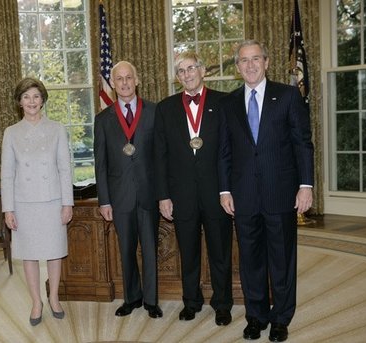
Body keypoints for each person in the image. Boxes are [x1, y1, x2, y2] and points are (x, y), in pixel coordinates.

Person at [218, 40, 314, 342]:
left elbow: (302, 143)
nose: (250, 65)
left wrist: (306, 186)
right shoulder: (229, 103)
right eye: (244, 61)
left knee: (282, 260)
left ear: (267, 62)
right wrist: (224, 190)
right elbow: (224, 151)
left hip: (281, 193)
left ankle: (281, 318)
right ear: (237, 67)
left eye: (255, 59)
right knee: (251, 260)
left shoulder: (287, 96)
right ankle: (256, 316)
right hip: (244, 195)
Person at [154, 51, 233, 325]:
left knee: (220, 251)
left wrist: (230, 189)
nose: (187, 74)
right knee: (187, 253)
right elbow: (160, 156)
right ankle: (191, 301)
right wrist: (163, 195)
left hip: (217, 194)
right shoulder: (165, 108)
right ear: (177, 77)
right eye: (181, 71)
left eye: (191, 68)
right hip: (181, 195)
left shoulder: (225, 102)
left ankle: (222, 304)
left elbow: (231, 150)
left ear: (202, 70)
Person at [1, 77, 74, 326]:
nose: (31, 101)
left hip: (53, 201)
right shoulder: (11, 133)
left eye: (35, 96)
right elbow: (7, 174)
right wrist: (8, 208)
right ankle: (36, 301)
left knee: (54, 252)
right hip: (24, 203)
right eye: (26, 97)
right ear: (19, 102)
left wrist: (68, 203)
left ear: (42, 99)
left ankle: (53, 297)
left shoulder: (57, 129)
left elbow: (65, 168)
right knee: (29, 255)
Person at [94, 61, 162, 318]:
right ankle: (131, 297)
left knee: (150, 248)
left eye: (128, 77)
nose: (124, 83)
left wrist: (164, 194)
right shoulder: (103, 119)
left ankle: (151, 301)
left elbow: (161, 156)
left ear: (137, 80)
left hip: (149, 193)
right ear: (112, 84)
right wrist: (104, 201)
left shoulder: (155, 112)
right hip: (120, 197)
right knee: (126, 249)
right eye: (119, 79)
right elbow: (100, 163)